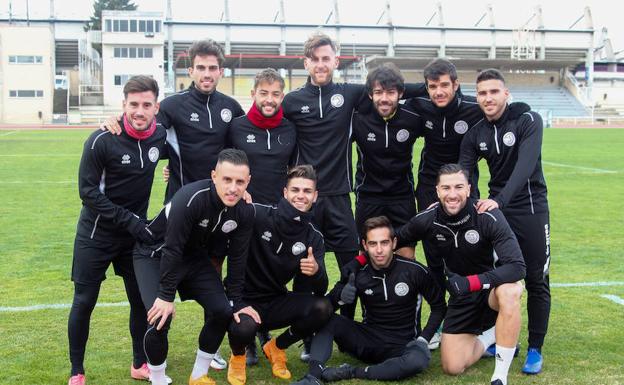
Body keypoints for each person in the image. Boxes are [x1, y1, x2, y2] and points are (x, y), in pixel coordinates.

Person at [103, 39, 245, 370]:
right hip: (180, 209)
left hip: (220, 210)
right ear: (191, 70)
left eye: (213, 68)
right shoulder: (172, 105)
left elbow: (241, 151)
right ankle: (153, 348)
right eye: (201, 67)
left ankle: (211, 349)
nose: (207, 73)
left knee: (213, 275)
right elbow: (146, 130)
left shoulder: (230, 107)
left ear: (220, 71)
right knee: (172, 270)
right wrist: (115, 122)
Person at [67, 76, 167, 385]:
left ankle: (139, 363)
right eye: (133, 104)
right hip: (96, 235)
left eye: (146, 105)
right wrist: (130, 220)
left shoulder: (160, 135)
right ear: (123, 105)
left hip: (132, 238)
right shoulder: (101, 139)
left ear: (156, 107)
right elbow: (88, 193)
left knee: (139, 302)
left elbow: (184, 155)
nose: (140, 111)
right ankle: (77, 370)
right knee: (84, 300)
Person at [132, 149, 258, 385]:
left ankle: (198, 375)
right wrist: (165, 295)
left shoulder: (245, 210)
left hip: (192, 257)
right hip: (154, 254)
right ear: (214, 176)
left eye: (240, 182)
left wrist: (237, 301)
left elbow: (239, 258)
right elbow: (172, 248)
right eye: (227, 179)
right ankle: (158, 379)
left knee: (222, 311)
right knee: (160, 318)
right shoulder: (189, 197)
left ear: (248, 181)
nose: (233, 188)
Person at [395, 163, 526, 385]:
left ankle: (500, 376)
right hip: (462, 295)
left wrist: (472, 282)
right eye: (446, 188)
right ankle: (492, 334)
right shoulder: (428, 218)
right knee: (452, 367)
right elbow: (395, 239)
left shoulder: (487, 214)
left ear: (468, 189)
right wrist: (360, 260)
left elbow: (517, 267)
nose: (452, 194)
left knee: (511, 291)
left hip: (490, 291)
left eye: (458, 187)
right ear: (437, 191)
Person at [459, 68, 551, 374]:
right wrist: (469, 205)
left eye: (494, 92)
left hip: (531, 209)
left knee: (537, 278)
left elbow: (525, 167)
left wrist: (500, 200)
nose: (488, 98)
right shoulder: (475, 134)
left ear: (506, 93)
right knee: (496, 277)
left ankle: (535, 347)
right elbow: (466, 174)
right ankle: (500, 335)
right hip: (497, 211)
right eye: (482, 93)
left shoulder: (528, 120)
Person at [291, 216, 446, 385]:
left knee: (418, 361)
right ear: (365, 245)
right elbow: (326, 307)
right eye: (373, 244)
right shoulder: (356, 273)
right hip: (368, 341)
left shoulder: (415, 271)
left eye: (384, 243)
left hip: (403, 345)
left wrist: (423, 339)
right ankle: (313, 377)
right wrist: (341, 297)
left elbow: (439, 306)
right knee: (328, 320)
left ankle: (351, 372)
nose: (379, 250)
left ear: (394, 243)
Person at [225, 165, 333, 385]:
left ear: (315, 196)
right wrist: (238, 196)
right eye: (295, 190)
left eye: (306, 191)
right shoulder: (258, 214)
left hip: (276, 301)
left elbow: (320, 289)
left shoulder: (314, 237)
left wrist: (317, 271)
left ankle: (276, 347)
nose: (300, 196)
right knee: (243, 328)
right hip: (243, 302)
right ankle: (237, 356)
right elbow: (223, 208)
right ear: (285, 192)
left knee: (323, 307)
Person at [352, 62, 423, 259]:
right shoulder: (358, 119)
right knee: (366, 256)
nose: (384, 98)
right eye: (378, 92)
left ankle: (406, 290)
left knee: (406, 256)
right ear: (370, 95)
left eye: (391, 92)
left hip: (402, 197)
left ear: (401, 93)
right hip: (368, 197)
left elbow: (430, 89)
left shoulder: (412, 118)